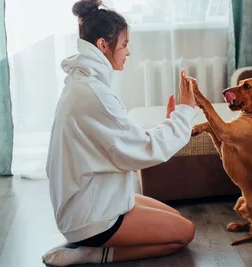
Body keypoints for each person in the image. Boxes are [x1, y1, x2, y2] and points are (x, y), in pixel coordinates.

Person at [42, 0, 197, 266]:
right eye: (124, 45)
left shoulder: (84, 83)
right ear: (103, 45)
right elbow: (144, 149)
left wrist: (172, 119)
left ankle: (92, 244)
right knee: (184, 233)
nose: (128, 52)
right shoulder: (93, 94)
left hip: (91, 198)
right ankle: (92, 253)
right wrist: (184, 113)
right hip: (90, 218)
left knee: (176, 219)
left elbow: (126, 140)